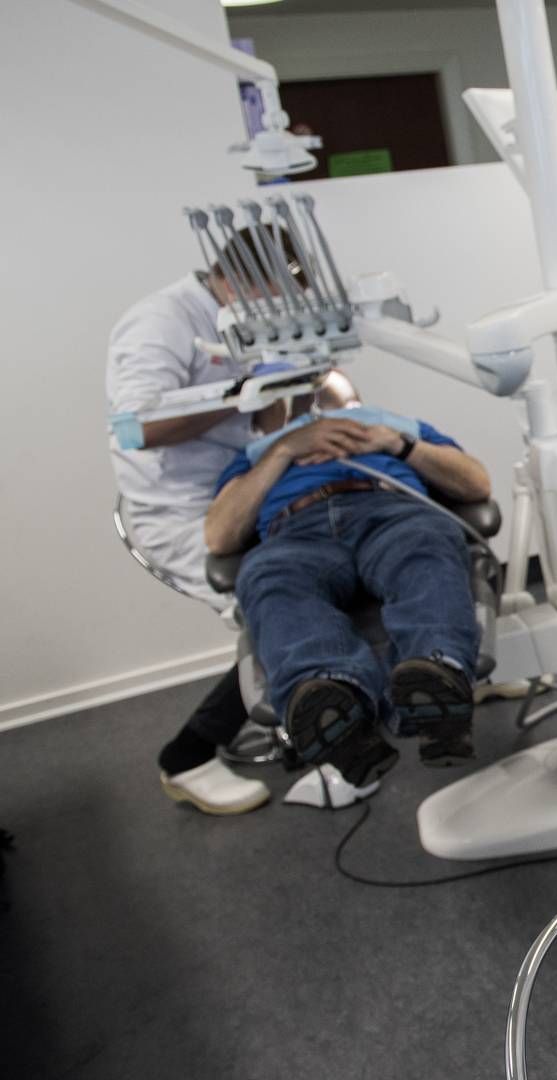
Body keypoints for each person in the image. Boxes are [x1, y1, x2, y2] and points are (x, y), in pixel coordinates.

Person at [107, 225, 321, 815]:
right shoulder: (163, 320)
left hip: (241, 486)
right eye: (274, 296)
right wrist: (243, 393)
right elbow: (137, 426)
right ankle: (188, 756)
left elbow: (263, 423)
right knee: (284, 602)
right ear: (244, 281)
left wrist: (297, 389)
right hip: (180, 511)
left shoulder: (241, 319)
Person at [204, 396, 491, 787]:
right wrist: (286, 449)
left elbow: (476, 482)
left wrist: (396, 443)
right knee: (269, 579)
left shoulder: (396, 421)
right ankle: (332, 704)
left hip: (392, 511)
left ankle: (437, 677)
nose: (315, 400)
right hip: (295, 530)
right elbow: (220, 535)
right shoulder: (260, 451)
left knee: (426, 548)